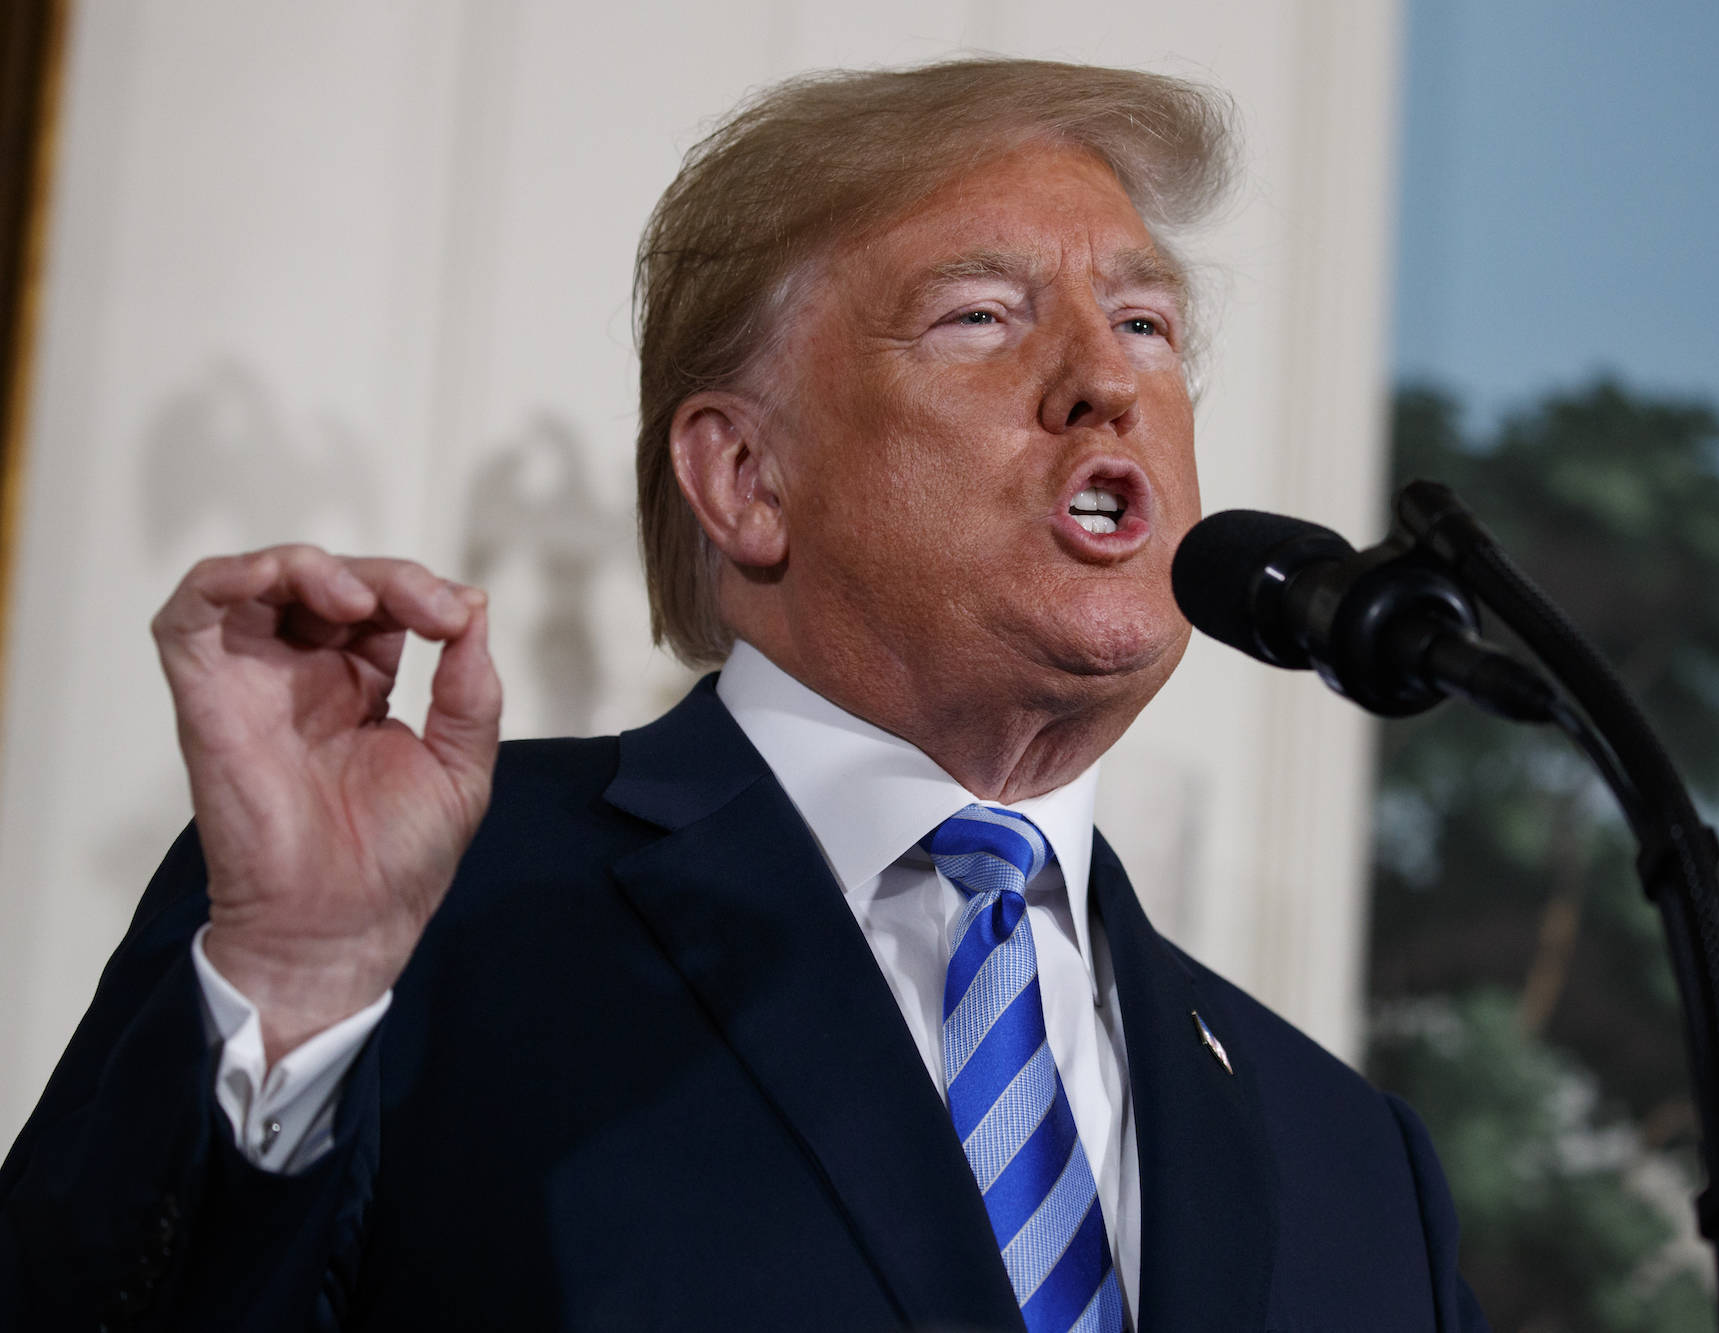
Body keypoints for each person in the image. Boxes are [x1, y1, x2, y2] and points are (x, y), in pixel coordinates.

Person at [0, 59, 1487, 1331]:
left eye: (1148, 324)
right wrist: (296, 993)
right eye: (981, 315)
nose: (1108, 381)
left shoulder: (1353, 1165)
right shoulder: (424, 911)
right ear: (744, 477)